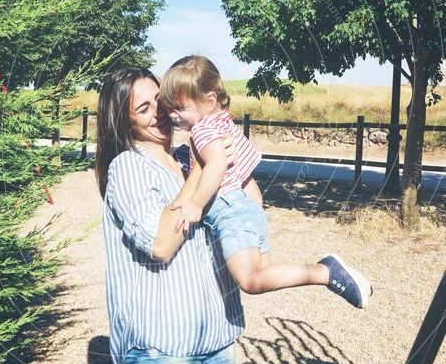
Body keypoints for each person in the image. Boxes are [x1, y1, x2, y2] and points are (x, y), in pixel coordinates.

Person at [95, 66, 245, 364]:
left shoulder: (187, 156)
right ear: (124, 123)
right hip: (163, 343)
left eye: (159, 99)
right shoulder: (127, 168)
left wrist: (223, 152)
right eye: (142, 108)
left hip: (216, 330)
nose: (158, 112)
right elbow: (162, 243)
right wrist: (204, 168)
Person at [159, 55, 373, 308]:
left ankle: (325, 272)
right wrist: (255, 212)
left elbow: (216, 165)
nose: (172, 115)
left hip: (230, 212)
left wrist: (195, 203)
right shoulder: (224, 125)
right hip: (248, 209)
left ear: (209, 101)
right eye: (169, 107)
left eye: (180, 108)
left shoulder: (203, 130)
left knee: (250, 281)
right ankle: (334, 275)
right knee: (263, 274)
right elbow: (244, 176)